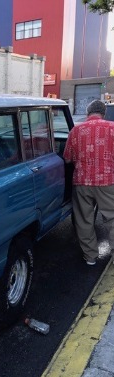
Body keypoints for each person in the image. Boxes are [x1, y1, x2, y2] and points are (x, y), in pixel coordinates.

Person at [63, 99, 114, 266]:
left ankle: (90, 256)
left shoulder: (76, 130)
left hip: (82, 182)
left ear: (88, 112)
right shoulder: (112, 128)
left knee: (84, 219)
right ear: (103, 113)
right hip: (108, 181)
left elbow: (67, 157)